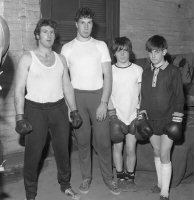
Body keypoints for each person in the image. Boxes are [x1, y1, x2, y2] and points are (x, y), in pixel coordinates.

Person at [14, 19, 82, 200]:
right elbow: (19, 89)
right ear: (37, 35)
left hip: (58, 109)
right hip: (35, 110)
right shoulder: (27, 58)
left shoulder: (61, 59)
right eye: (45, 32)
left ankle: (65, 185)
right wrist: (19, 117)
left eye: (52, 32)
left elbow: (67, 86)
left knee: (62, 150)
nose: (49, 35)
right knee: (33, 154)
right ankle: (30, 194)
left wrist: (73, 110)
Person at [61, 7, 120, 195]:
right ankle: (86, 178)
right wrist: (70, 108)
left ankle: (108, 178)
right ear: (76, 24)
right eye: (82, 23)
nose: (86, 27)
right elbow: (64, 81)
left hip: (97, 96)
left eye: (89, 23)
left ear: (92, 25)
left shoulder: (100, 45)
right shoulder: (67, 48)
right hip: (77, 98)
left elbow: (108, 77)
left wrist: (104, 102)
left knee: (103, 142)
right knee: (83, 141)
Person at [138, 35, 184, 200]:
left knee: (165, 154)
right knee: (157, 152)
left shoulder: (173, 71)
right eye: (150, 52)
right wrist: (141, 116)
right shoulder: (145, 73)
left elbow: (179, 98)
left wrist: (177, 121)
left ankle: (165, 191)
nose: (153, 55)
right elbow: (143, 97)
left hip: (168, 121)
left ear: (164, 51)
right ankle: (159, 184)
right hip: (151, 120)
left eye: (157, 51)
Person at [107, 37, 143, 191]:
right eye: (119, 50)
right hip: (117, 116)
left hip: (132, 116)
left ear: (130, 51)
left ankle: (130, 177)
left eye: (126, 50)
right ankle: (120, 176)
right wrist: (112, 114)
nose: (122, 54)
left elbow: (141, 94)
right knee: (117, 148)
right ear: (114, 53)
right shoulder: (109, 70)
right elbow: (106, 94)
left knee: (130, 149)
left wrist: (140, 112)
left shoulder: (137, 70)